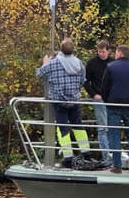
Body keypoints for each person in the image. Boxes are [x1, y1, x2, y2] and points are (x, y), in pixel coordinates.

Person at [36, 38, 91, 167]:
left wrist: (45, 63)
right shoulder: (79, 63)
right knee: (78, 126)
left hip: (59, 101)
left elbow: (39, 75)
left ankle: (68, 158)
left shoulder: (53, 64)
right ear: (73, 50)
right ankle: (86, 153)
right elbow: (83, 80)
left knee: (63, 129)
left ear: (60, 49)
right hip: (74, 100)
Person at [101, 44, 129, 173]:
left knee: (114, 135)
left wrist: (107, 101)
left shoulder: (110, 67)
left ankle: (117, 166)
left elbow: (104, 88)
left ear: (120, 54)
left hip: (113, 105)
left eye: (116, 52)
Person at [84, 39, 114, 162]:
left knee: (112, 127)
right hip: (99, 98)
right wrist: (93, 94)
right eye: (99, 51)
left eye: (103, 51)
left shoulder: (113, 63)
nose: (101, 54)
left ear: (108, 51)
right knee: (102, 128)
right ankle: (106, 157)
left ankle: (113, 156)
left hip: (112, 99)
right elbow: (85, 81)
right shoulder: (92, 63)